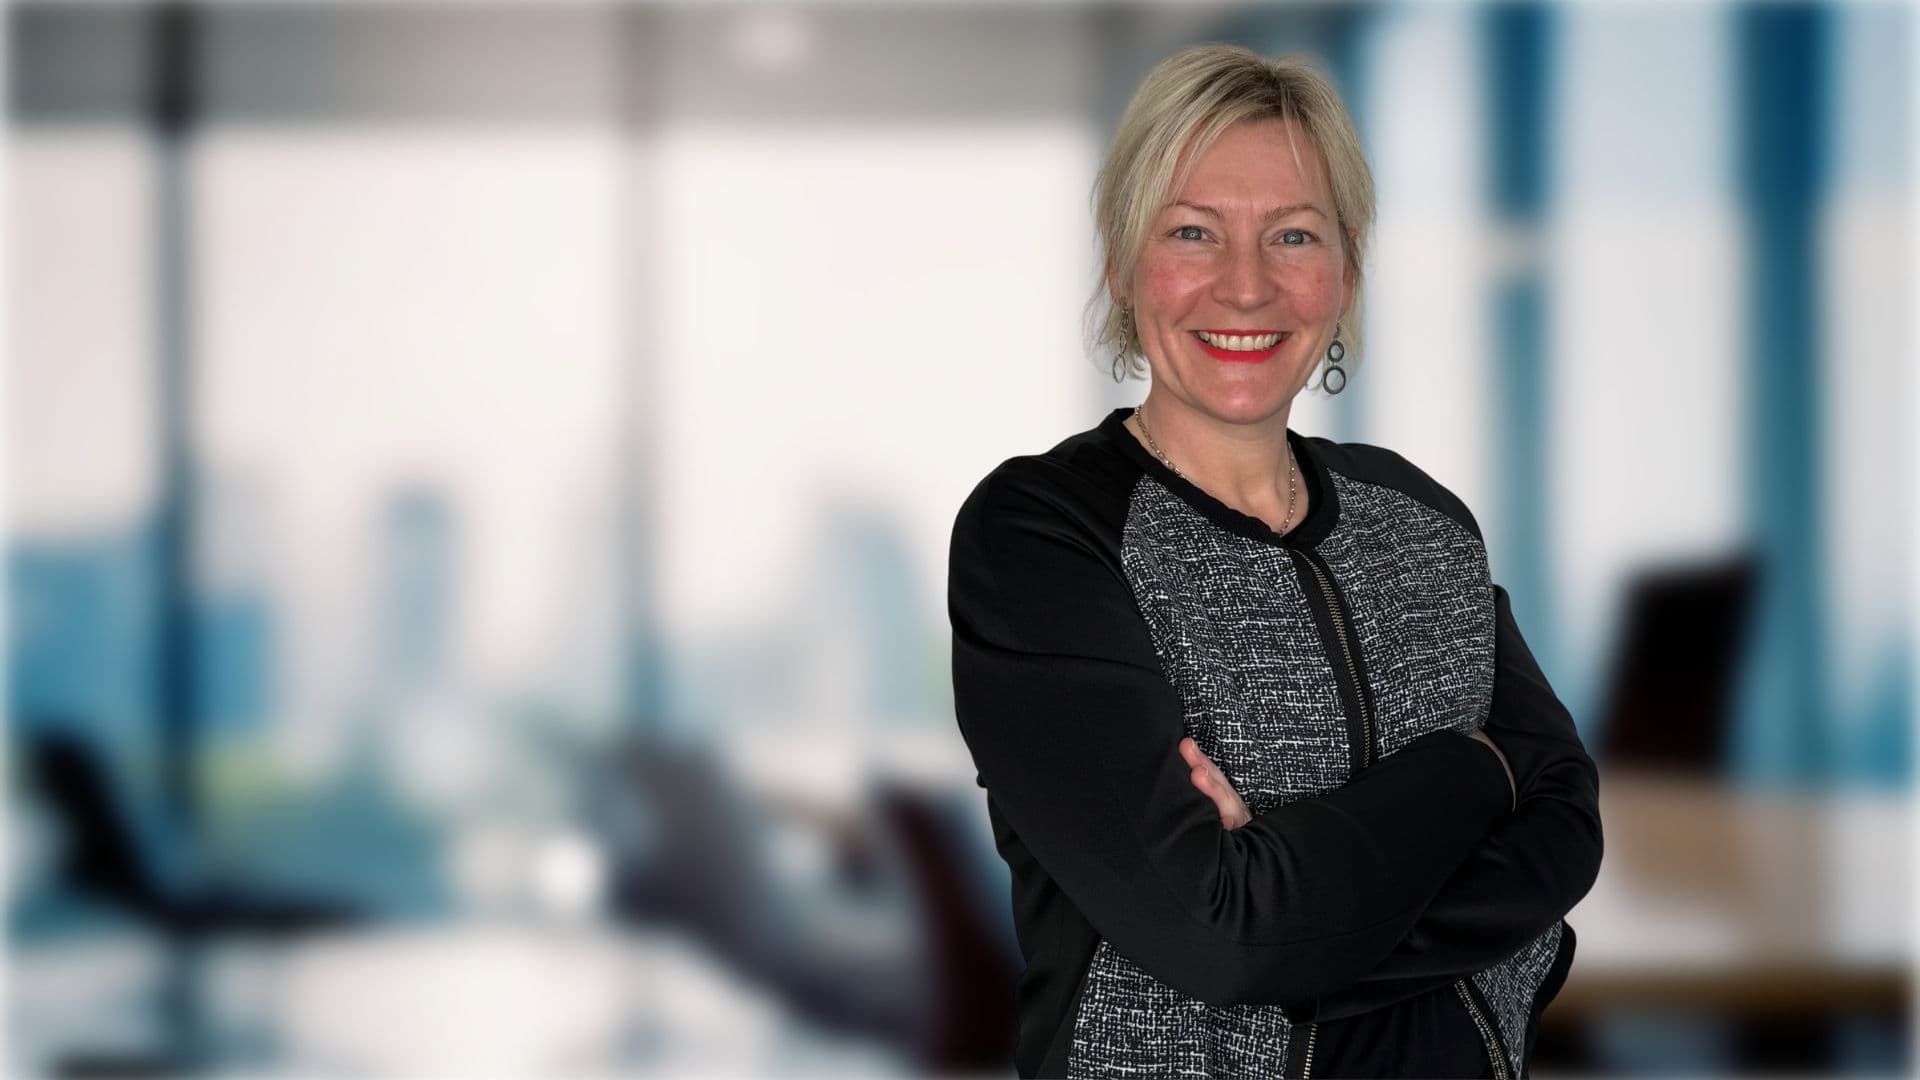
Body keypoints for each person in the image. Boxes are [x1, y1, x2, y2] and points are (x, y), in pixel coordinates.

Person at [947, 44, 1602, 1079]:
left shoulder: (1420, 519)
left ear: (1347, 271)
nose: (1246, 285)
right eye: (1192, 232)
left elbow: (1565, 826)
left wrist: (1292, 919)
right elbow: (1221, 934)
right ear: (1122, 263)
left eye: (1293, 235)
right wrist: (1476, 770)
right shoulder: (1042, 537)